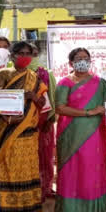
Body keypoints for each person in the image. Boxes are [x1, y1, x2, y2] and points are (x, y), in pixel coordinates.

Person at [54, 48, 106, 212]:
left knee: (92, 168)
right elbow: (60, 108)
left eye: (86, 58)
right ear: (71, 63)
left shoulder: (100, 82)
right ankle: (70, 210)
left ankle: (94, 210)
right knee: (72, 168)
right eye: (78, 58)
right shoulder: (64, 83)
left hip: (95, 133)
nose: (83, 61)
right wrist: (89, 112)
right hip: (71, 133)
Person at [0, 41, 49, 212]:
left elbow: (43, 105)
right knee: (8, 168)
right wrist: (18, 94)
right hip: (8, 128)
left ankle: (29, 209)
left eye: (28, 53)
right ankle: (10, 210)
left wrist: (33, 97)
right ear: (12, 55)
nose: (24, 56)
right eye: (20, 52)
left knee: (27, 170)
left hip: (28, 133)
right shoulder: (2, 74)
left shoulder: (35, 78)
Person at [29, 44, 58, 201]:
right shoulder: (13, 73)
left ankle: (45, 187)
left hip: (44, 121)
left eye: (33, 53)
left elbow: (53, 97)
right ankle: (31, 189)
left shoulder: (47, 74)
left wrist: (51, 119)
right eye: (26, 54)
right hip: (22, 123)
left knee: (45, 155)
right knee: (28, 155)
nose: (30, 57)